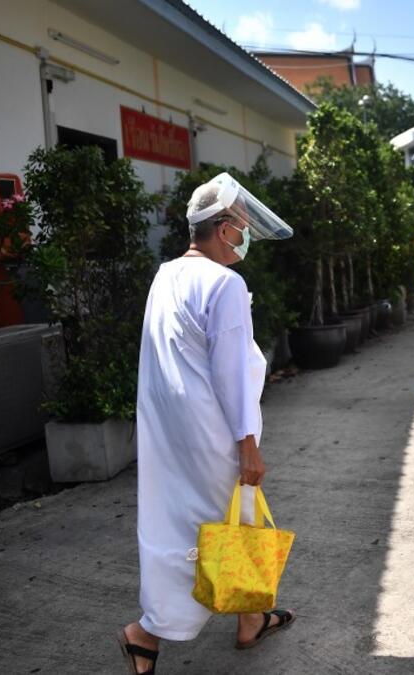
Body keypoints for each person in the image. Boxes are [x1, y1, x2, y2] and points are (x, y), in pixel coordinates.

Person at [118, 175, 296, 674]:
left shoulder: (167, 274)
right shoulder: (226, 283)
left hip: (169, 430)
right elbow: (232, 372)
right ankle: (146, 633)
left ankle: (251, 617)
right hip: (209, 432)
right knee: (210, 533)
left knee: (197, 524)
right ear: (222, 229)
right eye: (241, 228)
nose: (245, 238)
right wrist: (248, 444)